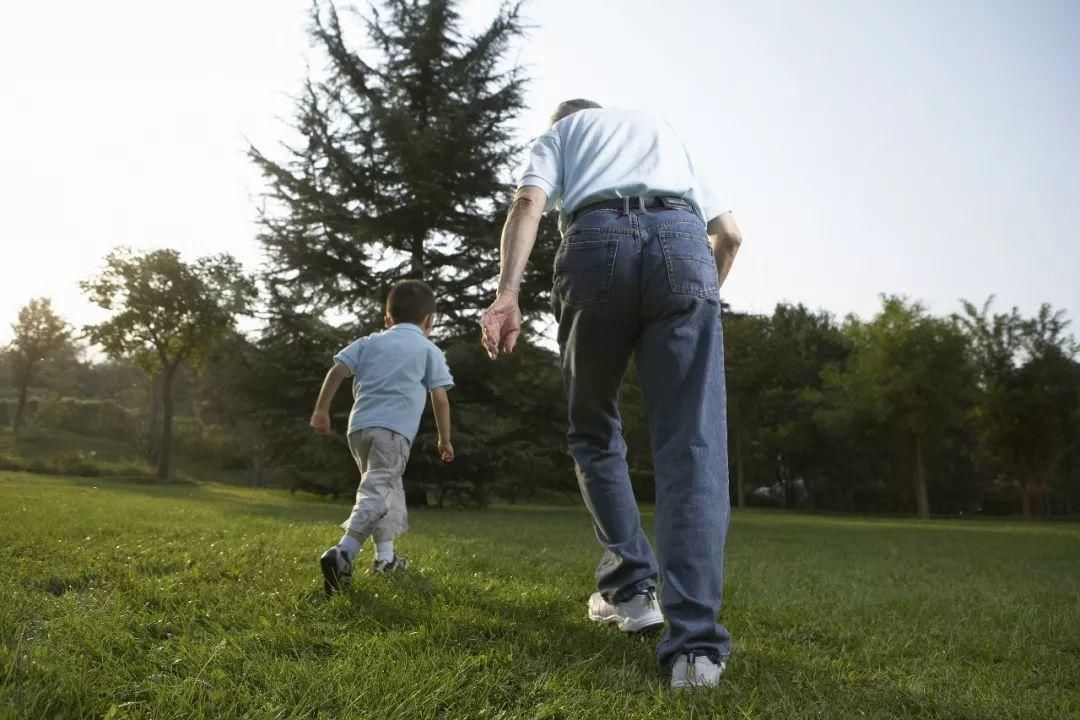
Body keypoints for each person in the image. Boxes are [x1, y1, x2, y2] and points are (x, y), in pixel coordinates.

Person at [479, 100, 743, 690]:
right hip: (684, 245)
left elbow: (529, 203)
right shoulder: (664, 131)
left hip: (595, 247)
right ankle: (695, 653)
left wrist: (507, 294)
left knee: (594, 428)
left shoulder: (562, 134)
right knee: (692, 445)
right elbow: (729, 236)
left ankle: (629, 591)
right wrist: (691, 301)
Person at [310, 279, 455, 595]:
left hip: (359, 430)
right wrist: (445, 439)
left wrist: (322, 410)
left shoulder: (368, 341)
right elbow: (440, 397)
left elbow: (336, 370)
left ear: (388, 318)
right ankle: (343, 552)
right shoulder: (429, 349)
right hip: (393, 432)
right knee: (378, 489)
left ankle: (385, 558)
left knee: (387, 488)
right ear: (430, 321)